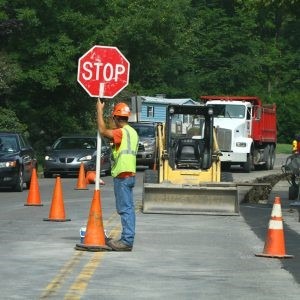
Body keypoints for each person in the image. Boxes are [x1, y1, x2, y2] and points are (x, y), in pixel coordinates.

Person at [96, 101, 138, 251]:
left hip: (123, 175)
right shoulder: (132, 132)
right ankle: (127, 238)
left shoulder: (122, 132)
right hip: (129, 174)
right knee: (128, 208)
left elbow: (103, 131)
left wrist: (99, 111)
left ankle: (126, 241)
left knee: (125, 209)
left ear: (116, 118)